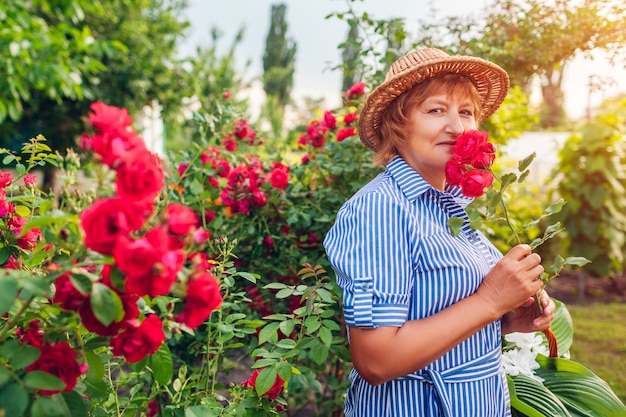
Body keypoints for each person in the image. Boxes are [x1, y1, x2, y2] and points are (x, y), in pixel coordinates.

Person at [323, 48, 555, 417]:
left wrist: (504, 320)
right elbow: (376, 360)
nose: (458, 127)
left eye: (466, 112)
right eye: (436, 110)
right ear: (396, 127)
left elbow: (442, 316)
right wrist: (489, 302)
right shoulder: (381, 209)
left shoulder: (447, 206)